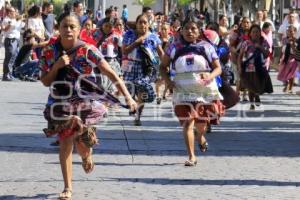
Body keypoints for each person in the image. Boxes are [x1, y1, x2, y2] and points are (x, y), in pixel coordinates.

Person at [39, 9, 137, 199]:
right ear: (58, 28)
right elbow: (45, 81)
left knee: (82, 143)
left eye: (72, 26)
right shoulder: (49, 51)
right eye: (64, 26)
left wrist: (128, 97)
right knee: (65, 140)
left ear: (79, 30)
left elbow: (110, 73)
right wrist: (57, 65)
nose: (68, 29)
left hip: (84, 101)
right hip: (60, 102)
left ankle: (86, 155)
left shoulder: (87, 50)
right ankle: (68, 187)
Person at [160, 16, 224, 166]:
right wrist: (168, 81)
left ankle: (200, 137)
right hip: (183, 89)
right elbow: (162, 67)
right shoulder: (173, 47)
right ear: (181, 31)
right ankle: (192, 156)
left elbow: (218, 68)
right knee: (188, 122)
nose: (190, 31)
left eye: (193, 28)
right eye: (186, 28)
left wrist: (210, 76)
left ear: (199, 31)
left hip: (204, 90)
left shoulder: (206, 47)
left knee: (201, 125)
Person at [122, 14, 164, 125]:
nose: (142, 25)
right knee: (129, 91)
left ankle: (138, 117)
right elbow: (124, 51)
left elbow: (161, 53)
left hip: (145, 68)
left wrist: (166, 65)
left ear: (149, 24)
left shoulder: (153, 37)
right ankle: (133, 104)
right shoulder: (129, 34)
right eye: (140, 22)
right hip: (130, 66)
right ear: (136, 24)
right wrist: (137, 42)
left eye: (145, 22)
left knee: (142, 90)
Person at [238, 24, 273, 110]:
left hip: (260, 67)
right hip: (249, 68)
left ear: (260, 33)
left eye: (257, 32)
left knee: (258, 84)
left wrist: (260, 47)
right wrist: (239, 67)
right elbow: (240, 56)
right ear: (250, 33)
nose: (255, 34)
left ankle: (257, 94)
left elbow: (266, 54)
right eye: (253, 32)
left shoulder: (264, 42)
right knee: (250, 86)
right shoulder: (246, 43)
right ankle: (251, 103)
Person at [1, 6, 23, 81]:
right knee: (9, 58)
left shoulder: (14, 20)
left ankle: (9, 74)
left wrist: (21, 20)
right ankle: (5, 75)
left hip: (16, 40)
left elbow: (20, 28)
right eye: (13, 12)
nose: (15, 13)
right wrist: (10, 24)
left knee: (13, 57)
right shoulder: (6, 19)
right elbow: (4, 29)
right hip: (10, 40)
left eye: (14, 12)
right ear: (9, 12)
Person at [277, 25, 299, 94]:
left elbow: (296, 51)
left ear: (294, 32)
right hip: (285, 57)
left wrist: (292, 44)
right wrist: (279, 57)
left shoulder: (296, 40)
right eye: (288, 31)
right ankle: (286, 84)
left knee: (292, 74)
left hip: (293, 58)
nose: (289, 32)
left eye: (291, 31)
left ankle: (290, 88)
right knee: (283, 72)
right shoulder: (284, 39)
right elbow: (282, 48)